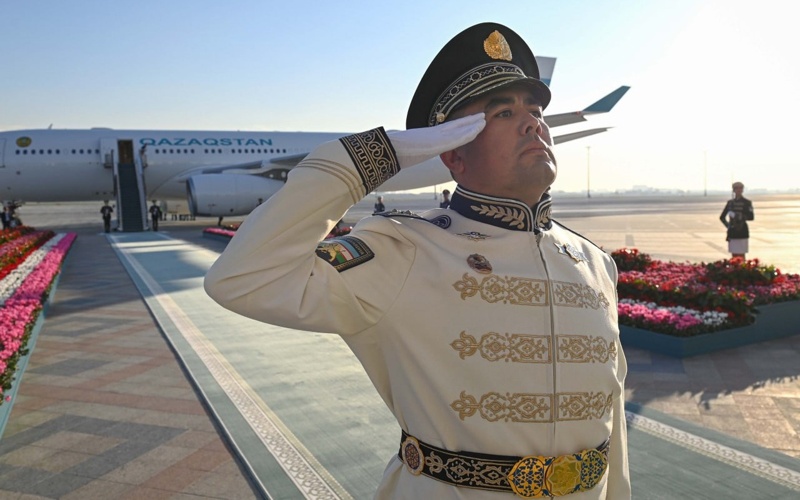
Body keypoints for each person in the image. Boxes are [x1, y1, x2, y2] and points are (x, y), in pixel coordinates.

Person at [206, 22, 629, 499]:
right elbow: (241, 279)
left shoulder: (594, 264)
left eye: (534, 110)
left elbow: (611, 433)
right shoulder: (402, 251)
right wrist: (369, 157)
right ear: (453, 155)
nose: (533, 123)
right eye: (503, 113)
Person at [719, 181, 754, 259]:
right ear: (733, 190)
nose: (738, 190)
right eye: (736, 188)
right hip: (732, 232)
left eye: (740, 188)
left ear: (743, 190)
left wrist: (740, 216)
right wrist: (728, 226)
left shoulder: (747, 202)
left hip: (742, 231)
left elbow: (751, 217)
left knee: (742, 255)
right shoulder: (730, 203)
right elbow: (722, 217)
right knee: (734, 255)